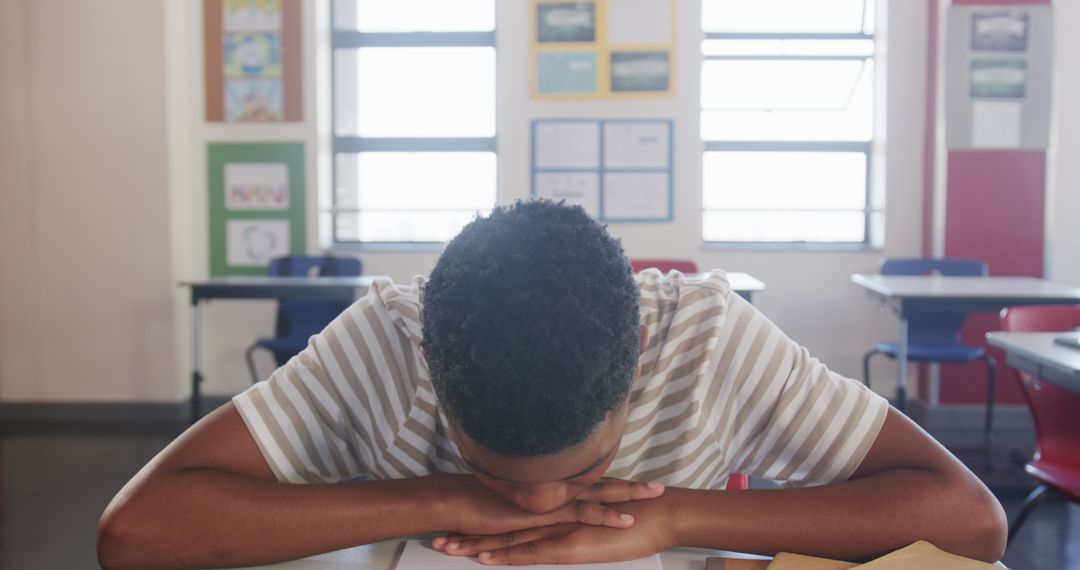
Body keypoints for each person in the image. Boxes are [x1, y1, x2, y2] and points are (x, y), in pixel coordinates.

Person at [97, 201, 1006, 569]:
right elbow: (136, 533)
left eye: (586, 464)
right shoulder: (388, 333)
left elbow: (968, 521)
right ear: (429, 367)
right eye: (489, 467)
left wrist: (678, 516)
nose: (539, 503)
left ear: (640, 349)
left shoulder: (707, 335)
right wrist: (436, 495)